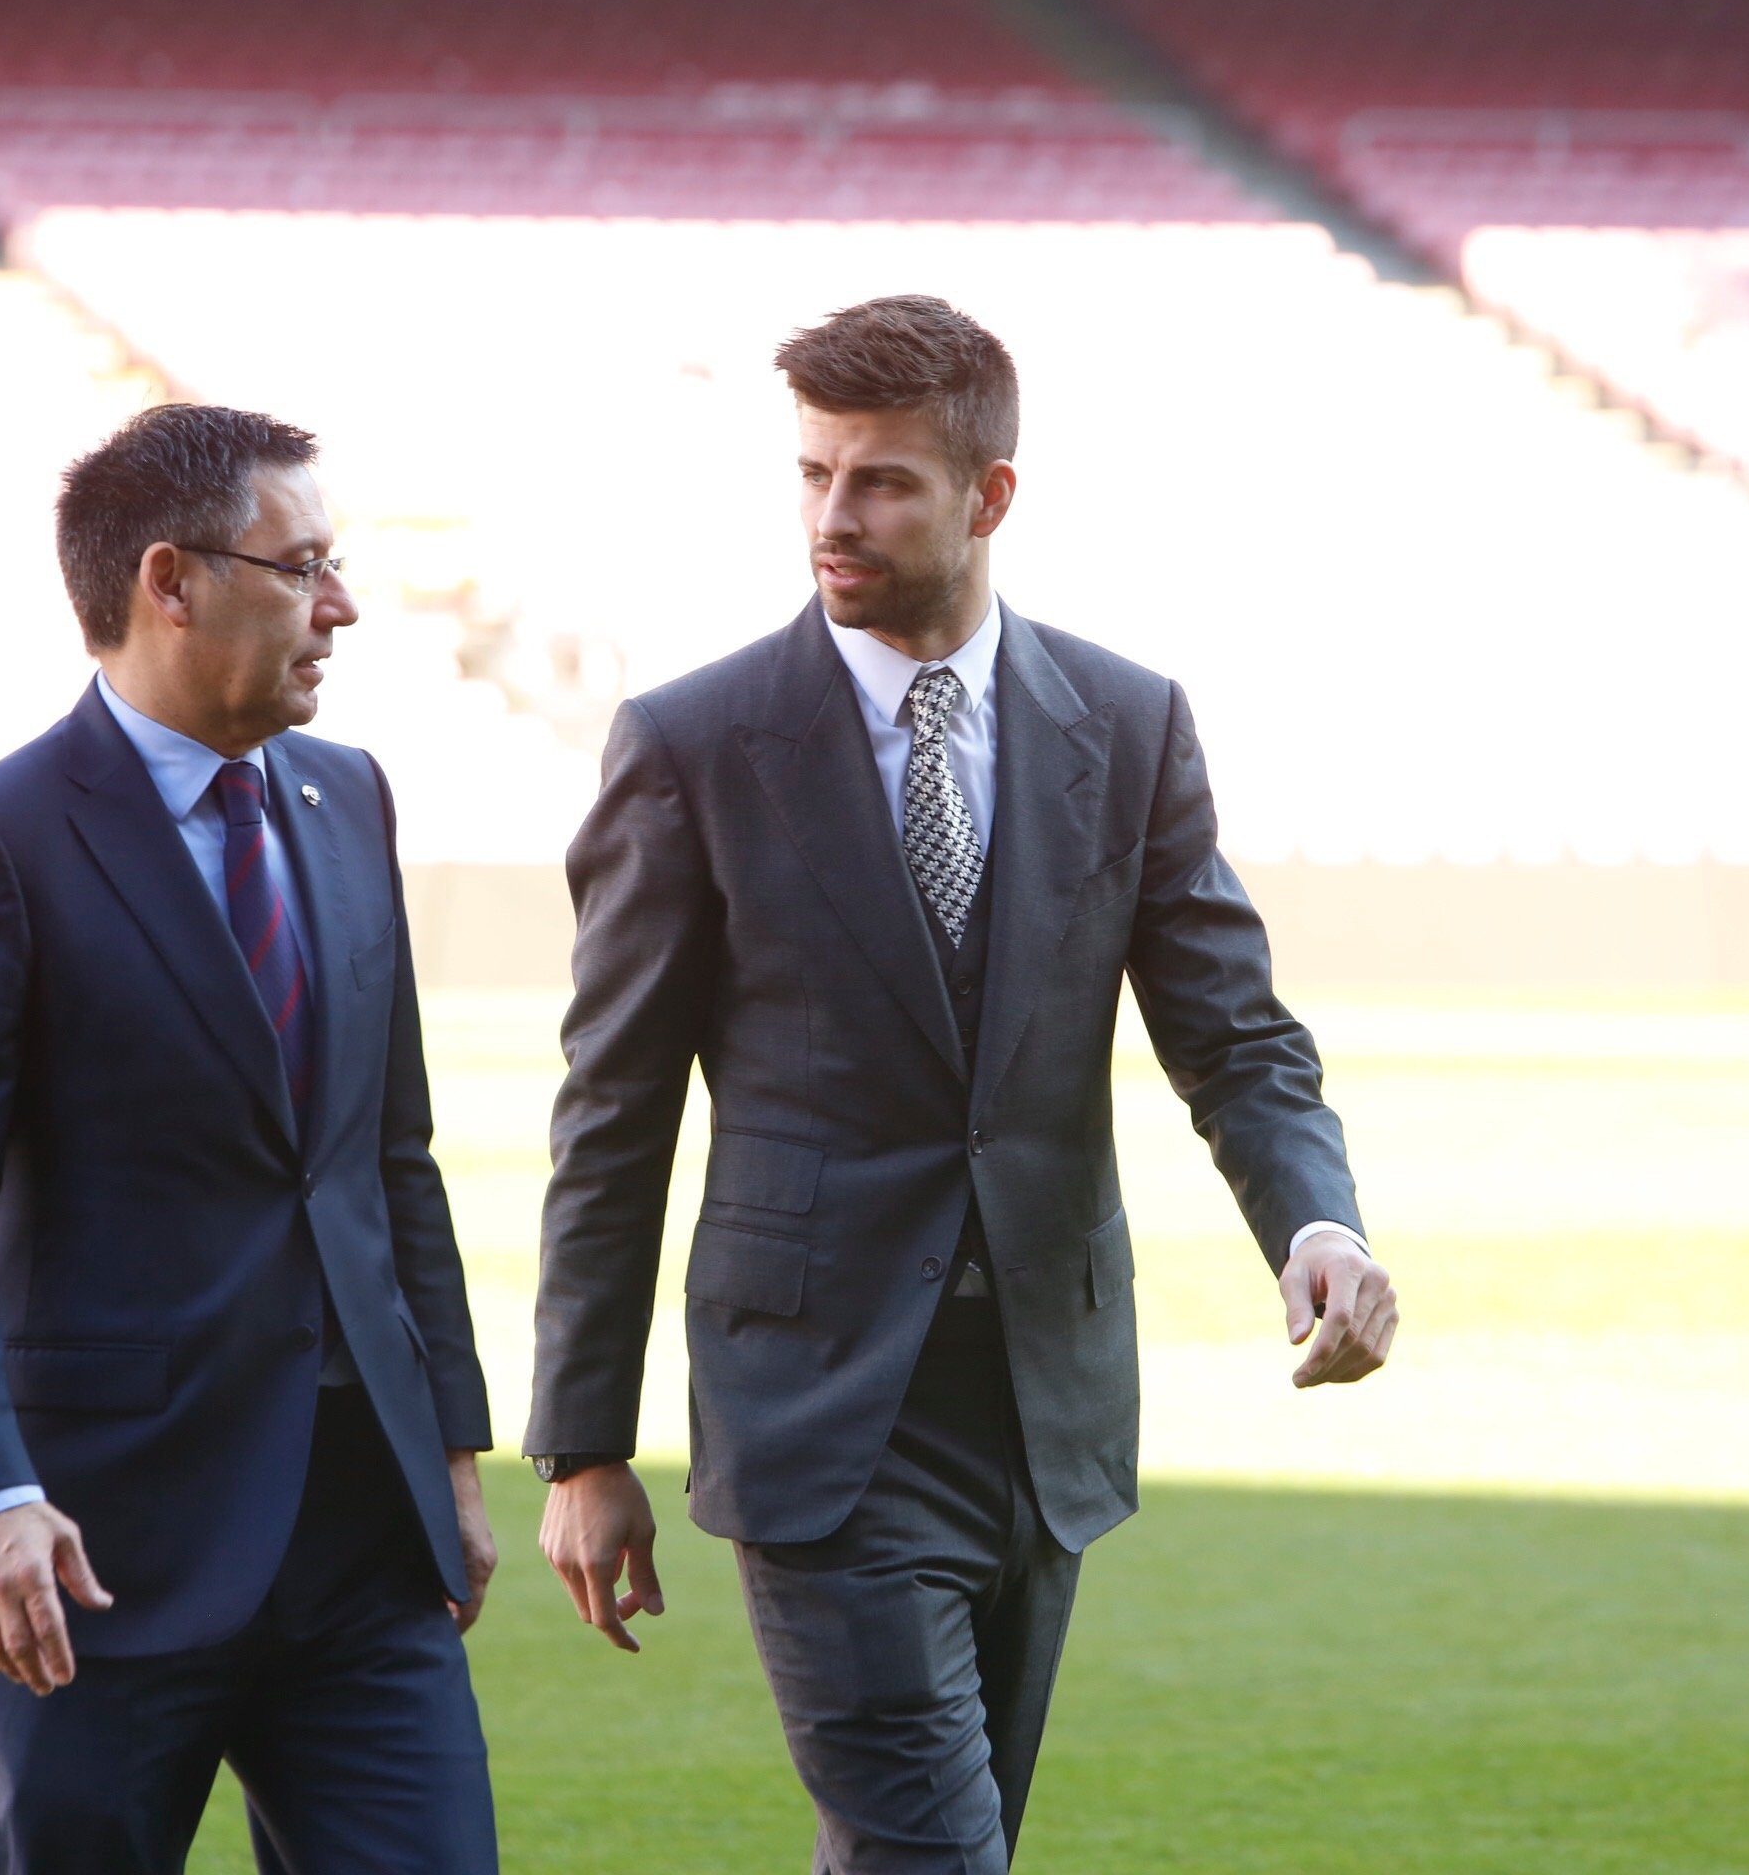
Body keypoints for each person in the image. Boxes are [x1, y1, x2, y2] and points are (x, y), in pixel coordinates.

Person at [527, 296, 1398, 1871]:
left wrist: (1315, 1227)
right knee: (935, 1855)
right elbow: (614, 1110)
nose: (830, 519)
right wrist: (584, 1448)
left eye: (880, 483)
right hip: (818, 1410)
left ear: (990, 495)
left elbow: (1234, 1033)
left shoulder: (1128, 725)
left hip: (1045, 1417)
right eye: (810, 475)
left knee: (924, 1847)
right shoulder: (696, 741)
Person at [0, 404, 498, 1873]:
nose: (342, 605)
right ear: (171, 581)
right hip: (94, 1556)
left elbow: (390, 1157)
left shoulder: (349, 802)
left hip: (360, 1551)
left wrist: (449, 1452)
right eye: (303, 566)